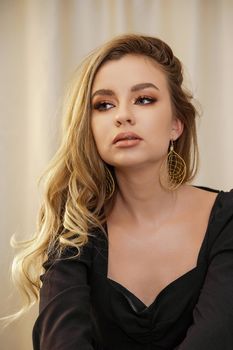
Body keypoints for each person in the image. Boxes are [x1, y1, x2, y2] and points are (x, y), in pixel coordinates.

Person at [11, 34, 233, 349]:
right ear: (88, 127)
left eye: (144, 99)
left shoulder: (227, 220)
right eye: (104, 104)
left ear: (176, 124)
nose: (122, 115)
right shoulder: (74, 226)